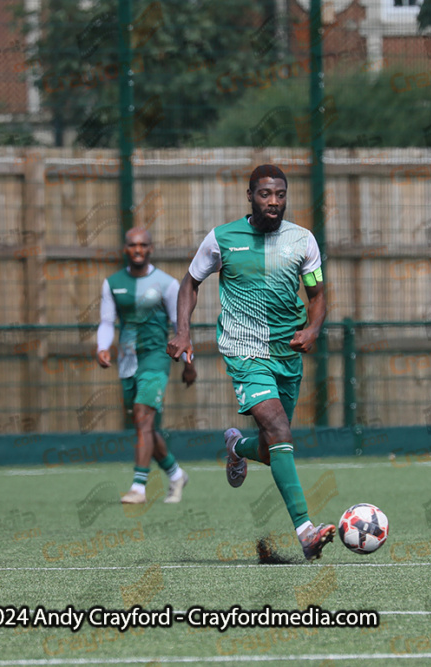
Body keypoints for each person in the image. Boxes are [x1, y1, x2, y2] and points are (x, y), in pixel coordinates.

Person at [167, 164, 334, 561]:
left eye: (280, 194)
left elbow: (318, 293)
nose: (273, 201)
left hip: (287, 352)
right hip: (244, 351)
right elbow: (190, 283)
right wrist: (184, 332)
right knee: (277, 427)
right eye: (265, 194)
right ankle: (306, 531)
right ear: (250, 196)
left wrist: (312, 330)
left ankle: (237, 447)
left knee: (275, 440)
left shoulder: (302, 240)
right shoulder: (222, 239)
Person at [97, 227, 196, 504]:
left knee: (143, 417)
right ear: (125, 249)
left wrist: (189, 362)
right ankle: (176, 474)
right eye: (132, 245)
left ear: (150, 248)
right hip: (127, 360)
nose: (137, 249)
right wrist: (102, 347)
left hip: (156, 357)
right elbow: (106, 322)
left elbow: (181, 327)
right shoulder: (112, 283)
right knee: (145, 426)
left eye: (143, 245)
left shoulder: (167, 283)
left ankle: (138, 487)